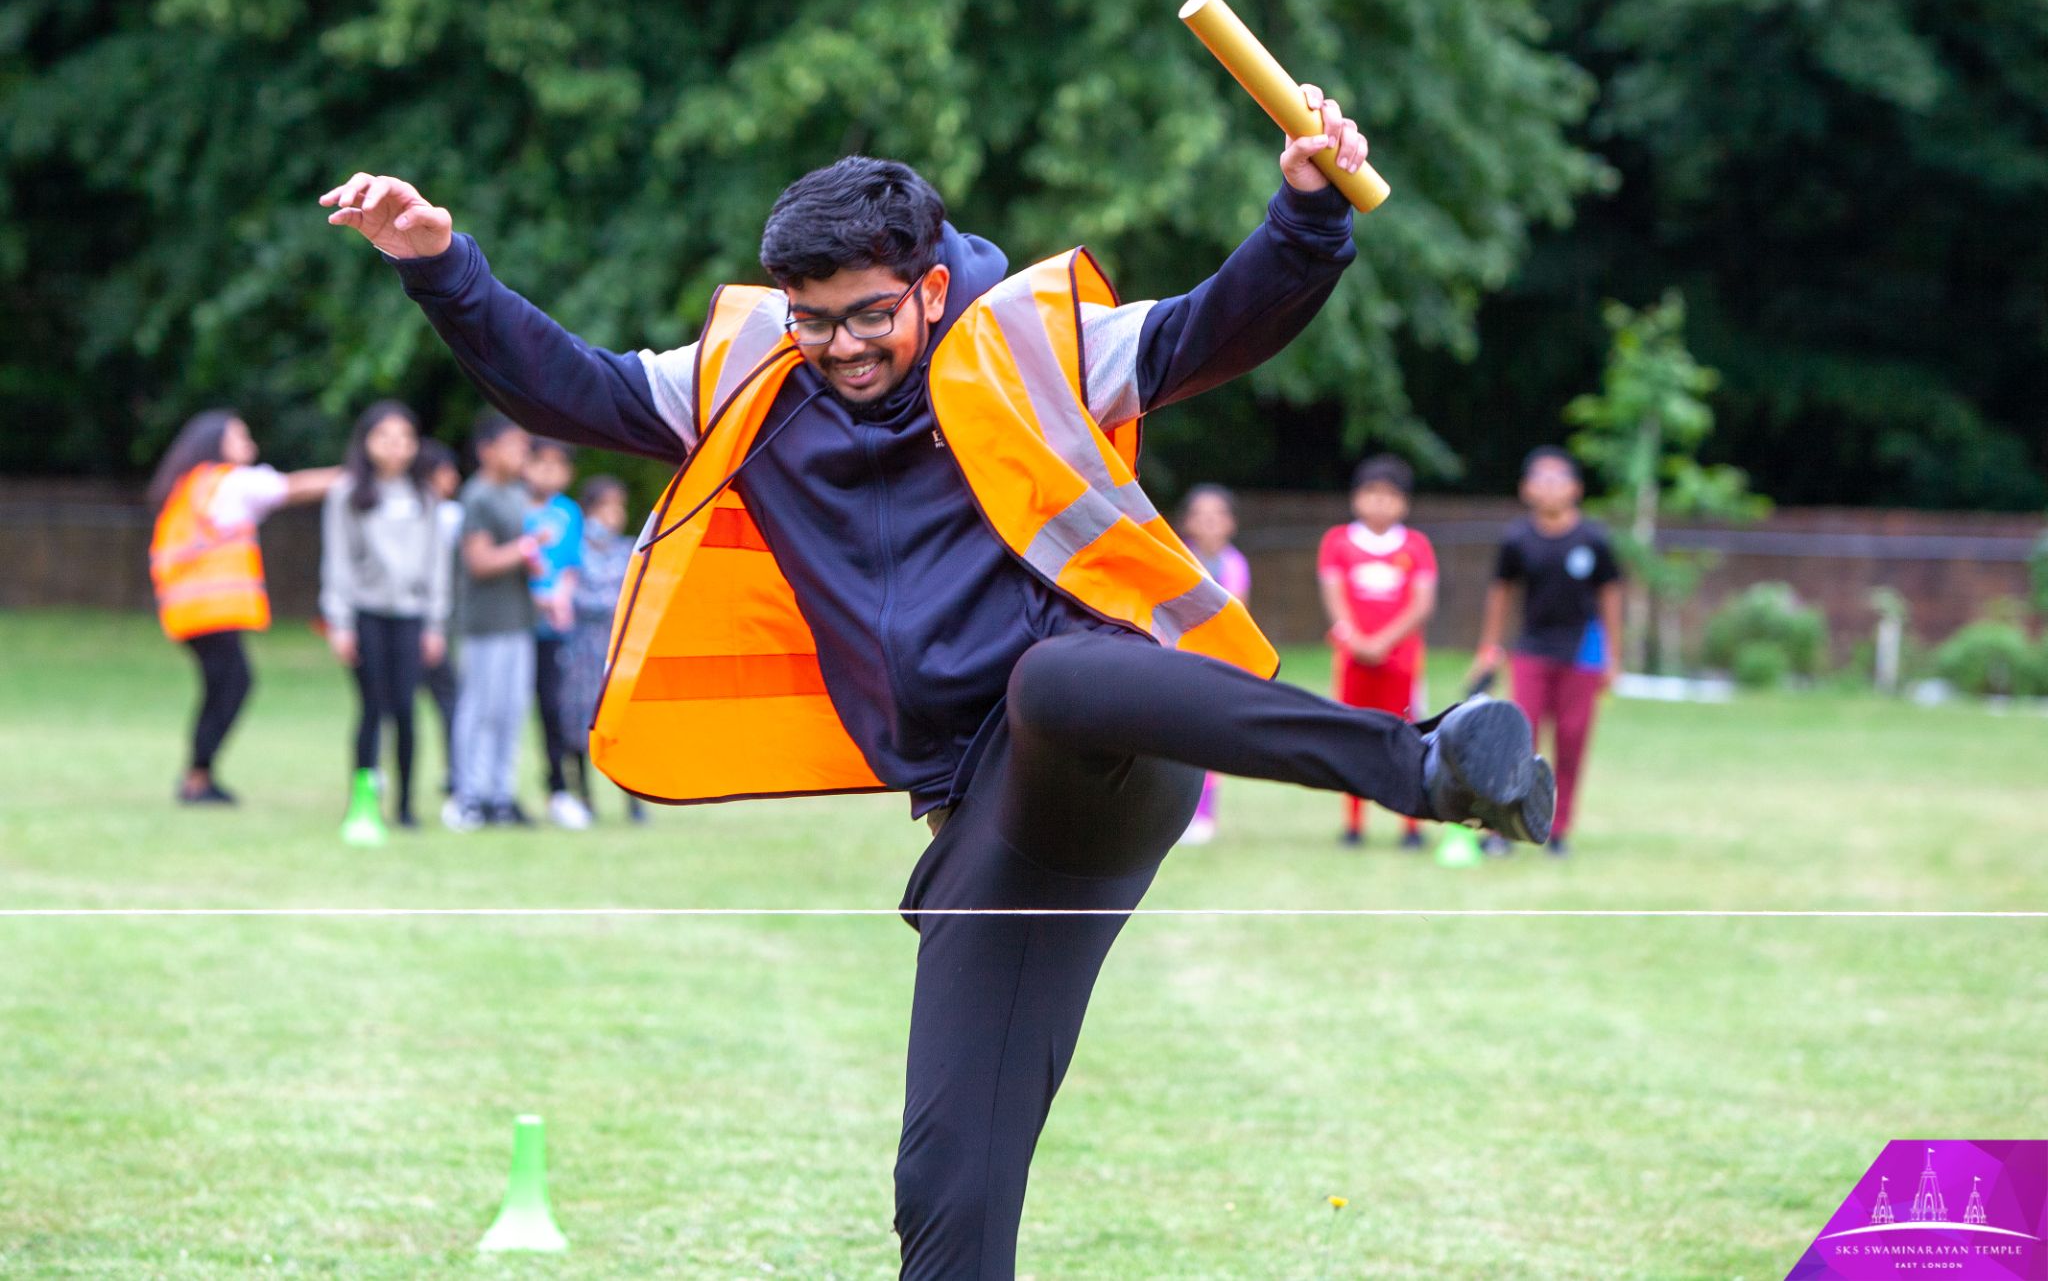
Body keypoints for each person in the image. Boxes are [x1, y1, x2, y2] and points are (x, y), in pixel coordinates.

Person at [322, 88, 1553, 1278]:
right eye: (812, 318)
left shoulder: (1029, 338)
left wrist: (1304, 217)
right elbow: (572, 385)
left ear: (922, 283)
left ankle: (1427, 764)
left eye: (865, 316)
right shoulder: (749, 375)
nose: (838, 348)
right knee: (944, 1190)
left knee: (1058, 681)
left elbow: (1206, 329)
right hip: (986, 822)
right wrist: (440, 265)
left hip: (1113, 736)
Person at [148, 411, 340, 805]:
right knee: (232, 686)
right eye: (241, 435)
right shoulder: (230, 483)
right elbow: (295, 486)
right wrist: (356, 472)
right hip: (211, 610)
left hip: (188, 611)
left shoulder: (192, 485)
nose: (249, 442)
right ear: (217, 443)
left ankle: (199, 775)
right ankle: (197, 777)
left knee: (223, 686)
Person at [1468, 446, 1624, 856]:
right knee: (1520, 738)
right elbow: (1500, 593)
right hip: (1533, 649)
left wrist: (1613, 655)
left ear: (1576, 488)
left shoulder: (1593, 538)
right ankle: (1504, 830)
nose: (1551, 487)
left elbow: (1610, 595)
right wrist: (1490, 646)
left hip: (1583, 652)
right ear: (1526, 489)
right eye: (1542, 479)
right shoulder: (1518, 539)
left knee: (1572, 740)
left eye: (1559, 479)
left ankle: (1558, 829)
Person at [319, 401, 450, 829]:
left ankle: (407, 806)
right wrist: (339, 622)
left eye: (404, 439)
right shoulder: (348, 494)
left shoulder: (425, 497)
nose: (395, 448)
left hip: (411, 617)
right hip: (366, 615)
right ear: (366, 442)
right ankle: (363, 803)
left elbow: (436, 565)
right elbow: (337, 561)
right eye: (385, 438)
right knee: (372, 709)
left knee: (406, 711)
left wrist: (435, 623)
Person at [1319, 454, 1438, 848]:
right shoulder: (1338, 542)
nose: (1380, 503)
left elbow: (1421, 604)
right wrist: (1356, 639)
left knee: (1405, 736)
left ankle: (1410, 825)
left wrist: (1383, 642)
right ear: (1356, 498)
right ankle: (1353, 823)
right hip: (1353, 659)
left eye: (1390, 495)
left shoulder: (1416, 546)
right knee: (1353, 734)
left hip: (1400, 662)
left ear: (1404, 503)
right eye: (1372, 493)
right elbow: (1334, 593)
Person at [446, 412, 540, 830]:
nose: (522, 452)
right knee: (479, 709)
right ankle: (469, 796)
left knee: (511, 710)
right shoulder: (478, 496)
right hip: (486, 623)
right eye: (513, 444)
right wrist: (524, 550)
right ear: (487, 451)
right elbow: (478, 560)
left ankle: (501, 796)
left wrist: (534, 557)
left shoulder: (518, 494)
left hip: (520, 619)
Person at [559, 474, 645, 823]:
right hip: (581, 652)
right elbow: (575, 598)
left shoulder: (629, 549)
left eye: (618, 507)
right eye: (605, 507)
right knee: (580, 722)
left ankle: (634, 800)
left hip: (618, 650)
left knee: (624, 725)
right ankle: (585, 797)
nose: (613, 515)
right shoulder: (573, 549)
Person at [1174, 484, 1251, 845]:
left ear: (1230, 523)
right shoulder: (1177, 557)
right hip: (1182, 660)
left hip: (1217, 663)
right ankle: (1176, 815)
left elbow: (1235, 613)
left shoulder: (1235, 565)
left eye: (1217, 515)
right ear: (1188, 521)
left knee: (1208, 743)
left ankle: (1205, 815)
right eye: (1201, 515)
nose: (1209, 522)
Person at [522, 439, 590, 829]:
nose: (548, 472)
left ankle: (559, 790)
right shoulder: (513, 506)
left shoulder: (568, 513)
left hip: (555, 631)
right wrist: (539, 599)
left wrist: (559, 598)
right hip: (515, 624)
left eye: (557, 465)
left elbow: (569, 565)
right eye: (540, 463)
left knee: (553, 709)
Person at [417, 438, 465, 802]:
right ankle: (455, 772)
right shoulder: (447, 515)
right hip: (430, 623)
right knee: (448, 700)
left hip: (412, 621)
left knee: (393, 703)